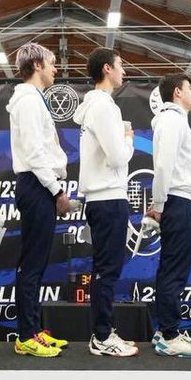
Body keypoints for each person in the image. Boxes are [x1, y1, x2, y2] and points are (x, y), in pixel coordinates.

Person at [73, 47, 137, 356]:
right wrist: (128, 140)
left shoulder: (97, 106)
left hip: (104, 198)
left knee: (105, 269)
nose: (124, 70)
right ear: (107, 69)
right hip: (108, 198)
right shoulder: (104, 107)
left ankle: (102, 332)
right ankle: (101, 335)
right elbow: (117, 157)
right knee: (107, 270)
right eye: (121, 65)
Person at [7, 42, 70, 357]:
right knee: (32, 264)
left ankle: (32, 330)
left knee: (37, 262)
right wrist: (56, 190)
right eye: (52, 63)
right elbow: (34, 152)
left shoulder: (34, 100)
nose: (56, 68)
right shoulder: (29, 102)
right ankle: (25, 335)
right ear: (36, 66)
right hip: (36, 185)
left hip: (39, 184)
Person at [148, 73, 191, 358]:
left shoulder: (176, 121)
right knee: (174, 269)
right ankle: (169, 335)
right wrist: (159, 204)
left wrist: (161, 202)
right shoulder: (171, 121)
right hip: (178, 201)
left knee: (174, 268)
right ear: (176, 93)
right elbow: (164, 166)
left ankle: (165, 330)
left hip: (180, 201)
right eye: (190, 89)